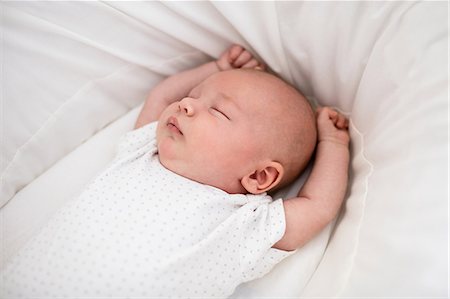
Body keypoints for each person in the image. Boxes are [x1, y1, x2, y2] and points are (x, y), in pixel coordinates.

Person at [1, 45, 350, 298]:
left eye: (218, 111)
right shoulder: (142, 152)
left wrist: (332, 144)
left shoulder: (245, 223)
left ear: (259, 178)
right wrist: (213, 69)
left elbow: (318, 205)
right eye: (194, 96)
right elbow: (163, 94)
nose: (187, 103)